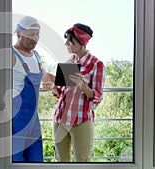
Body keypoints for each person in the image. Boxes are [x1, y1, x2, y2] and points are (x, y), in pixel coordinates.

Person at [51, 23, 105, 162]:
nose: (66, 43)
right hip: (60, 118)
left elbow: (97, 96)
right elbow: (61, 94)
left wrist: (82, 85)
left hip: (81, 120)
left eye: (70, 40)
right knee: (61, 161)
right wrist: (53, 87)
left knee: (82, 161)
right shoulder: (69, 62)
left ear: (81, 42)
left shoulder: (96, 64)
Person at [12, 15, 55, 162]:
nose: (35, 38)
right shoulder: (10, 54)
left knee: (36, 161)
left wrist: (70, 76)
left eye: (37, 35)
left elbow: (45, 77)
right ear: (19, 33)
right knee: (15, 161)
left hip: (33, 120)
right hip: (14, 118)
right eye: (31, 34)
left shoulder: (36, 55)